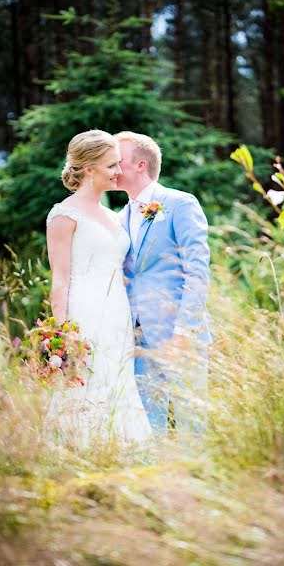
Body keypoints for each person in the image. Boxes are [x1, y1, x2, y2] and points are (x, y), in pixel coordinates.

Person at [45, 129, 153, 449]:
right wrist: (61, 334)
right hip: (84, 313)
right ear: (89, 169)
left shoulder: (113, 216)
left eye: (119, 164)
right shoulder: (64, 216)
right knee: (88, 383)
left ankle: (124, 450)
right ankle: (81, 451)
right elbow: (60, 281)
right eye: (111, 166)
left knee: (119, 381)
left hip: (118, 313)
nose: (119, 172)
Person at [115, 131, 211, 440]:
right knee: (146, 425)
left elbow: (197, 272)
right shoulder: (117, 219)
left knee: (191, 423)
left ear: (140, 165)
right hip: (137, 339)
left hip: (178, 332)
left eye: (118, 161)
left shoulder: (179, 204)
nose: (113, 168)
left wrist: (185, 330)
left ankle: (196, 484)